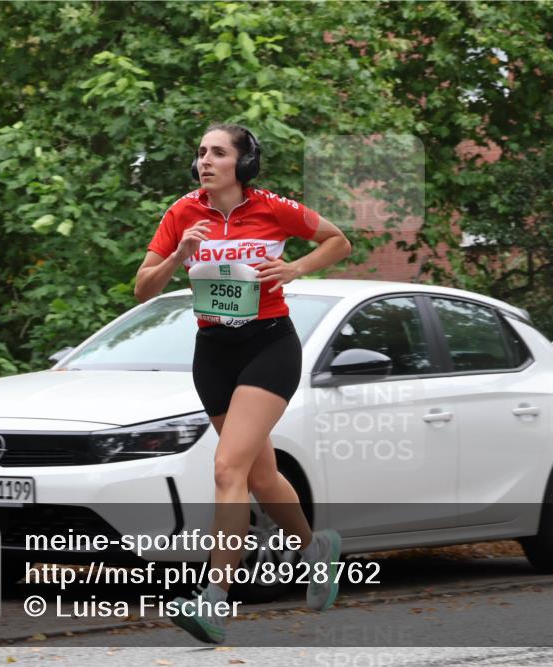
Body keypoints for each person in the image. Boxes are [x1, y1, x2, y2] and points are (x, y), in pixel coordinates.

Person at [134, 123, 352, 644]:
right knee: (260, 475)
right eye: (201, 152)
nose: (205, 161)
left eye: (218, 152)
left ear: (243, 163)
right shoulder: (183, 213)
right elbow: (143, 290)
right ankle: (316, 549)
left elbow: (339, 241)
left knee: (227, 466)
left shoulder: (273, 207)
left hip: (269, 347)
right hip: (213, 354)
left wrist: (295, 267)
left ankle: (214, 602)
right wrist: (178, 255)